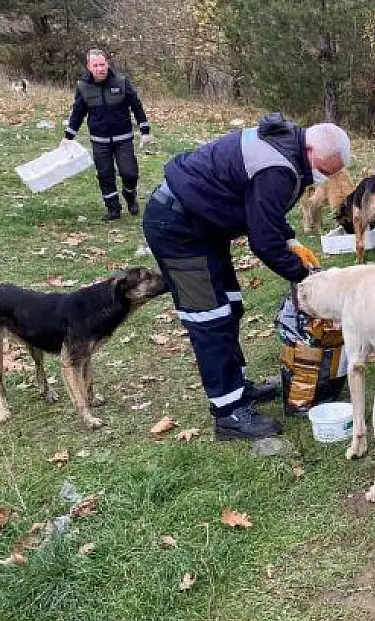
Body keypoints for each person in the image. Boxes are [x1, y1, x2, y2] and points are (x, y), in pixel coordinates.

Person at [142, 112, 349, 440]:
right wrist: (305, 278)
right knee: (208, 318)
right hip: (177, 230)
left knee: (230, 306)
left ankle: (238, 389)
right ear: (312, 152)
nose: (323, 179)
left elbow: (263, 209)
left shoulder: (288, 145)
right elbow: (263, 240)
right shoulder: (280, 167)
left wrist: (292, 241)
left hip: (203, 227)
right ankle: (228, 414)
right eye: (325, 171)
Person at [60, 48, 152, 221]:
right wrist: (68, 137)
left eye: (102, 64)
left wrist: (145, 130)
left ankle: (130, 195)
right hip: (99, 141)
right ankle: (113, 209)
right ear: (89, 67)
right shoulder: (83, 87)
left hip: (123, 139)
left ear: (107, 64)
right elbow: (77, 113)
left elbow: (136, 106)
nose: (100, 69)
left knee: (130, 173)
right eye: (96, 65)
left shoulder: (121, 82)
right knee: (105, 174)